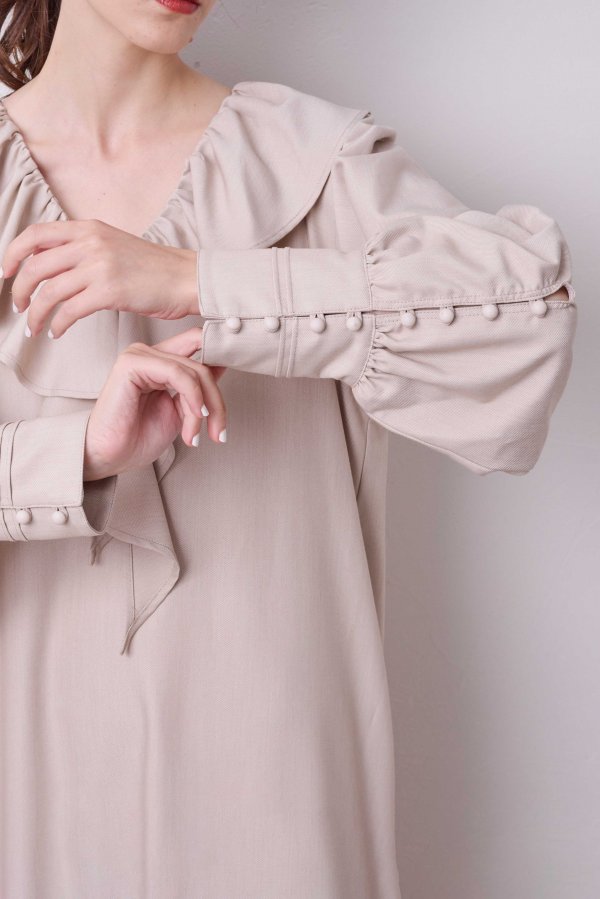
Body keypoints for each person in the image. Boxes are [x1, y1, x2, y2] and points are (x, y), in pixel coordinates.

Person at [0, 1, 577, 897]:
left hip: (275, 782)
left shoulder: (310, 160)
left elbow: (529, 320)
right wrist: (75, 455)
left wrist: (201, 279)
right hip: (27, 783)